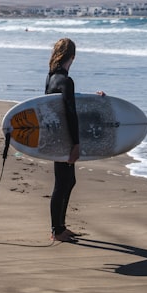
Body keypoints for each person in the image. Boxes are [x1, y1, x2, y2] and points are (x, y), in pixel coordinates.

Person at [45, 37, 103, 242]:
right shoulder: (66, 81)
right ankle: (57, 230)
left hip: (56, 136)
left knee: (67, 181)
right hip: (66, 139)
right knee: (63, 183)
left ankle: (60, 227)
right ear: (73, 57)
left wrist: (95, 99)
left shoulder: (51, 78)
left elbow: (60, 105)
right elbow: (70, 113)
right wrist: (76, 144)